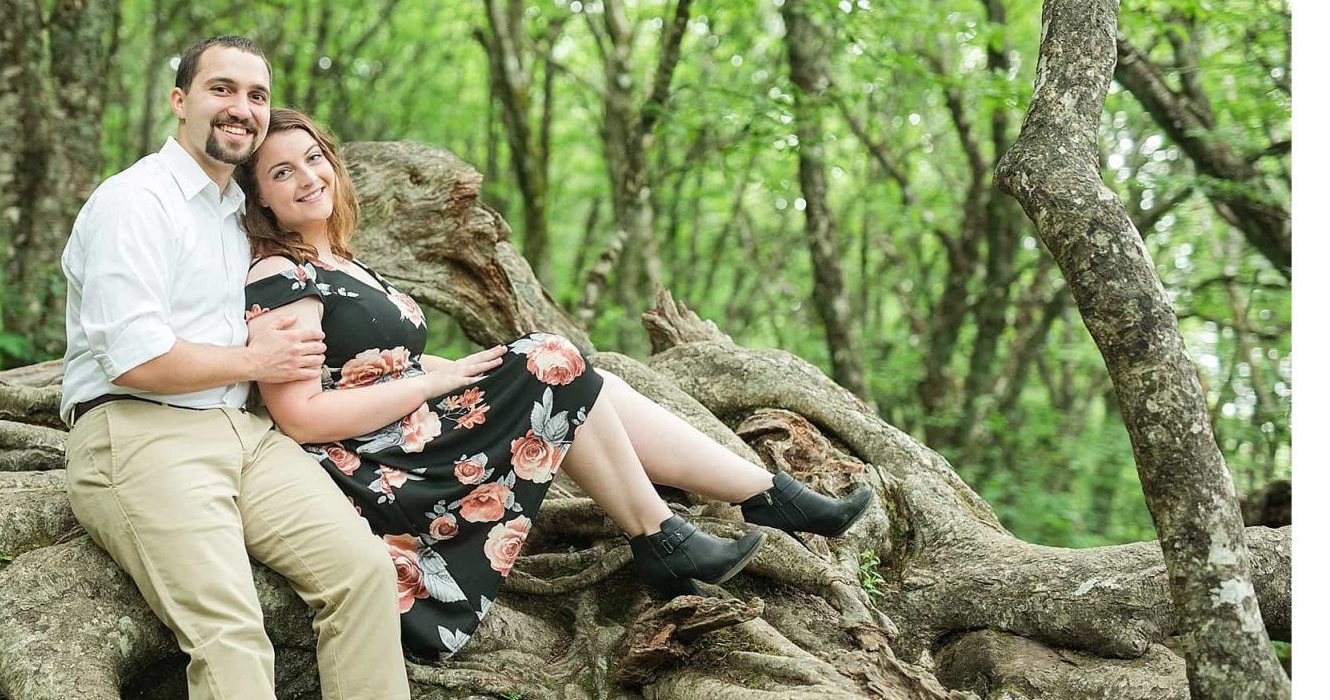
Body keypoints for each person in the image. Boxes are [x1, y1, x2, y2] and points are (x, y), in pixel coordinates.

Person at [236, 108, 875, 660]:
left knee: (579, 375)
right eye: (281, 172)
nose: (307, 177)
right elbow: (305, 415)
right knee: (551, 359)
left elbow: (380, 364)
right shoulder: (279, 274)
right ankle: (665, 534)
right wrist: (445, 382)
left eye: (313, 159)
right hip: (374, 468)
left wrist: (465, 371)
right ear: (261, 197)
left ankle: (763, 494)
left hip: (406, 427)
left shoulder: (343, 262)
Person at [58, 39, 410, 699]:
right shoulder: (135, 201)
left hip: (244, 435)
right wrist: (255, 361)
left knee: (364, 575)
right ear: (180, 100)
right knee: (232, 634)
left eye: (257, 95)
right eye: (222, 89)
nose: (241, 108)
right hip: (139, 434)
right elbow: (132, 357)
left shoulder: (236, 217)